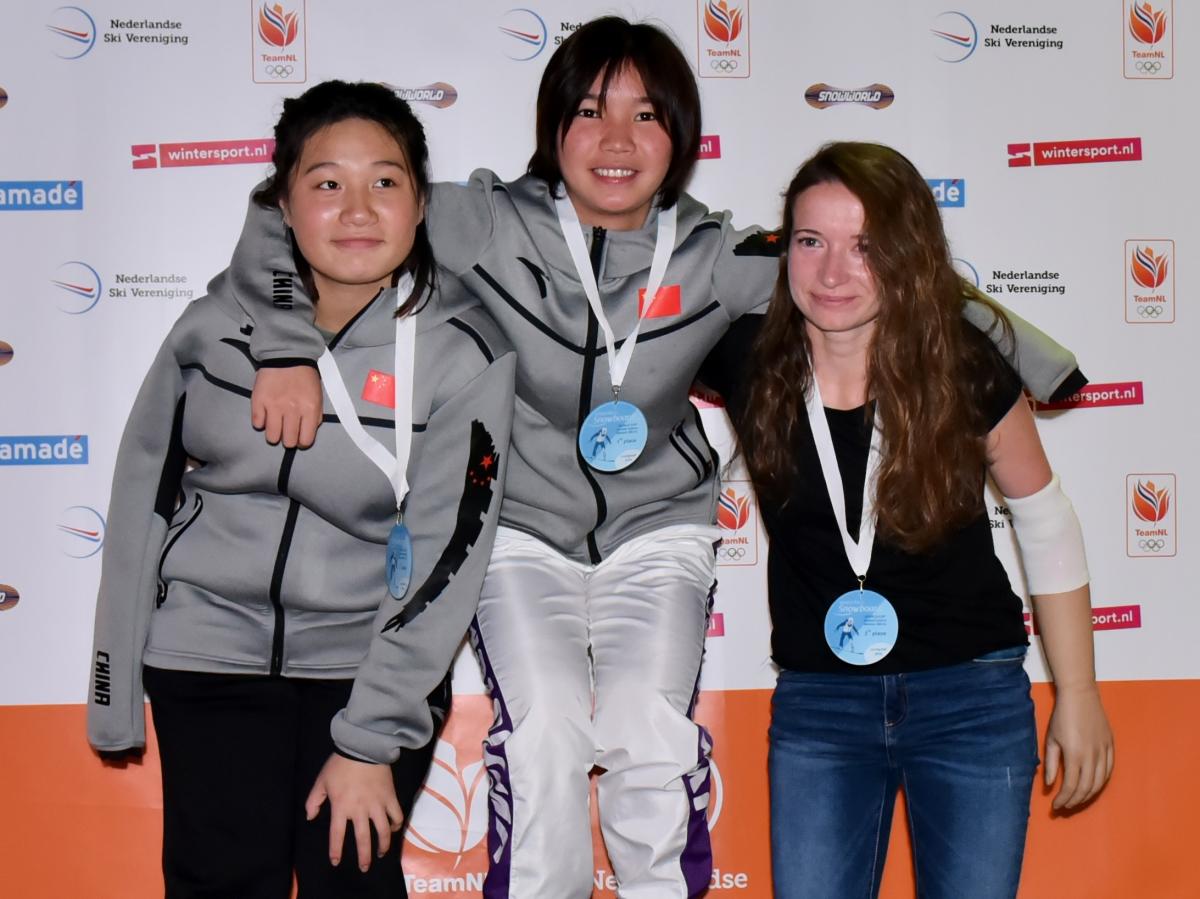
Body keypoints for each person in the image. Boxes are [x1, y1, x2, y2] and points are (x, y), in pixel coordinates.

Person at [221, 19, 1087, 898]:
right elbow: (280, 209)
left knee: (648, 733)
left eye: (646, 116)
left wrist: (1043, 362)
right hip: (518, 529)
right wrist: (286, 341)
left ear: (680, 137)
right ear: (554, 125)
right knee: (547, 731)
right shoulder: (483, 222)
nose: (616, 141)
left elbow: (890, 277)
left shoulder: (716, 255)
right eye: (591, 111)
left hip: (658, 531)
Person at [86, 80, 515, 898]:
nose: (357, 209)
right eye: (327, 183)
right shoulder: (211, 329)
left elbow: (448, 556)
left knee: (349, 886)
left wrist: (369, 739)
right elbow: (141, 499)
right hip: (203, 662)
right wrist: (112, 687)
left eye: (385, 182)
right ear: (282, 204)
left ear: (421, 203)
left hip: (363, 672)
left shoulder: (466, 350)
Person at [700, 142, 1114, 899]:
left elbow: (1044, 519)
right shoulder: (744, 357)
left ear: (908, 254)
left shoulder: (961, 360)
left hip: (971, 698)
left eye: (865, 247)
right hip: (821, 704)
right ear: (781, 248)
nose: (831, 273)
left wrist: (1079, 695)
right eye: (810, 241)